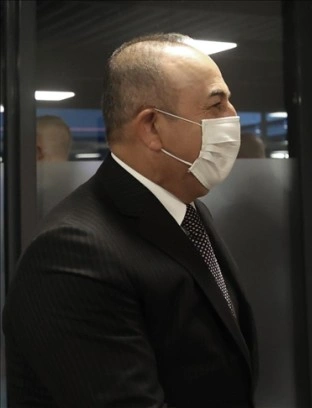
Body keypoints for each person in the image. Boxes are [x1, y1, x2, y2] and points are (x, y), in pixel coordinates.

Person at [3, 33, 258, 407]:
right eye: (216, 104)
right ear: (152, 127)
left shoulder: (187, 210)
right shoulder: (73, 252)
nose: (233, 117)